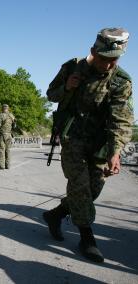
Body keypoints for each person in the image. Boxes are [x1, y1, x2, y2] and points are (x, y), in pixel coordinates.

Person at [43, 28, 133, 263]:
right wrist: (67, 88)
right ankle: (87, 238)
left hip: (100, 144)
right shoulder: (72, 68)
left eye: (114, 59)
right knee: (80, 186)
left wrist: (116, 151)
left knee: (93, 189)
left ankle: (56, 214)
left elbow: (120, 118)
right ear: (93, 51)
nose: (109, 65)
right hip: (73, 137)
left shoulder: (121, 81)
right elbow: (51, 95)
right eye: (104, 58)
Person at [0, 104, 16, 169]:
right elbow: (14, 126)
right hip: (9, 135)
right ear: (8, 109)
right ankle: (7, 165)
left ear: (2, 108)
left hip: (2, 135)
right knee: (7, 150)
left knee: (1, 149)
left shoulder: (1, 115)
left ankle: (1, 166)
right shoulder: (11, 115)